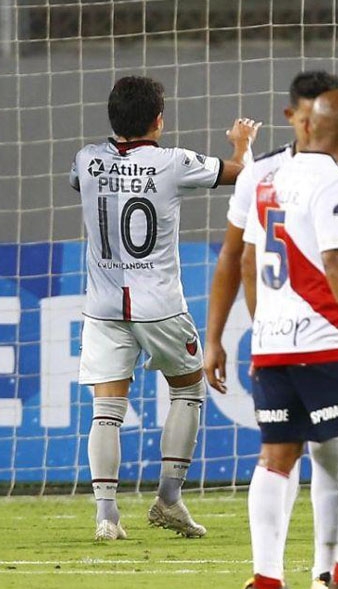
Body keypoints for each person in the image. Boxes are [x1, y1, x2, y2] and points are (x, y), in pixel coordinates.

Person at [205, 70, 338, 589]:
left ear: (309, 124)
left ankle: (269, 580)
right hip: (327, 338)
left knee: (277, 455)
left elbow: (246, 259)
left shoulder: (264, 178)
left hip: (273, 342)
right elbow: (337, 262)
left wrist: (243, 332)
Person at [69, 76, 258, 541]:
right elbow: (242, 175)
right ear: (158, 120)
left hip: (103, 304)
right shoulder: (174, 162)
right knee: (188, 390)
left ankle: (107, 516)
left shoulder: (86, 160)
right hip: (159, 304)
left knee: (106, 409)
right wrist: (242, 143)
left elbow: (79, 182)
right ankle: (168, 499)